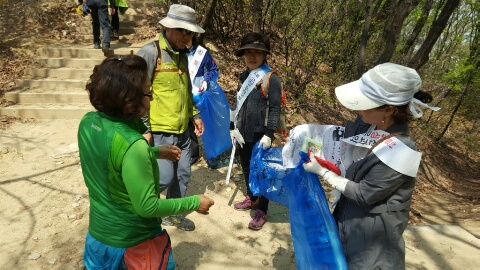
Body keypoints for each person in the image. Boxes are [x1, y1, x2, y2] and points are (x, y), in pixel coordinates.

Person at [78, 54, 214, 269]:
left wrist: (153, 152)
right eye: (148, 92)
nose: (151, 99)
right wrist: (194, 202)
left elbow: (110, 159)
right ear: (128, 97)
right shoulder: (134, 145)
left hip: (98, 238)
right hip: (132, 244)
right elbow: (147, 207)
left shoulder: (88, 122)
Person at [303, 63, 438, 269]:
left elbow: (365, 194)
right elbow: (342, 142)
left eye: (364, 104)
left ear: (389, 110)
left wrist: (323, 172)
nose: (357, 110)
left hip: (373, 240)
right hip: (348, 224)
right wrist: (307, 137)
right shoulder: (368, 125)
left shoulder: (401, 149)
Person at [136, 4, 205, 231]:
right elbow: (135, 93)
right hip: (159, 132)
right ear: (169, 28)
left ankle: (172, 215)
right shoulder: (150, 53)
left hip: (183, 130)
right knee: (162, 178)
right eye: (184, 31)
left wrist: (194, 114)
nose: (188, 37)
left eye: (191, 32)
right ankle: (144, 212)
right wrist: (144, 129)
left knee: (183, 174)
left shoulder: (183, 56)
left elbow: (185, 90)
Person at [230, 32, 283, 230]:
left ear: (264, 55)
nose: (252, 56)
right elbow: (236, 104)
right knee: (246, 167)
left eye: (257, 53)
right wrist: (232, 126)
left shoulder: (271, 78)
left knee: (261, 172)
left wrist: (269, 133)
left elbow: (276, 108)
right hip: (242, 132)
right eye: (248, 52)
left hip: (261, 135)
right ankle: (252, 198)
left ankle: (262, 208)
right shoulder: (243, 77)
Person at [186, 35, 222, 168]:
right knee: (188, 124)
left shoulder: (202, 53)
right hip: (185, 93)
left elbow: (214, 69)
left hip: (200, 93)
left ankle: (212, 155)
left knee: (206, 123)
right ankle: (193, 154)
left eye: (187, 34)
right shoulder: (176, 53)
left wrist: (206, 80)